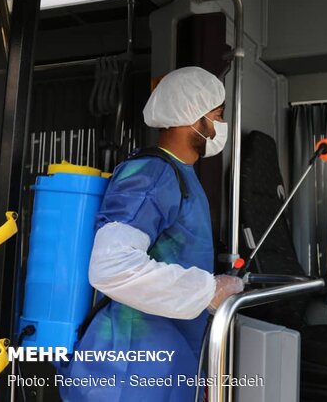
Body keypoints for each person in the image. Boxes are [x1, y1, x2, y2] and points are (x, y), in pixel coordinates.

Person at [57, 67, 244, 401]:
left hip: (162, 364)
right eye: (216, 116)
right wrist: (209, 290)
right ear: (192, 117)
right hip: (127, 370)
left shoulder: (180, 174)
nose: (220, 126)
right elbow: (112, 266)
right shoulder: (153, 175)